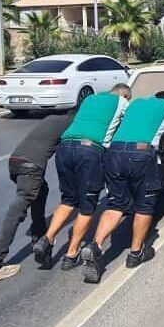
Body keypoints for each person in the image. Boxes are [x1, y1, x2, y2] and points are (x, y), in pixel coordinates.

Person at [80, 91, 164, 283]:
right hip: (140, 153)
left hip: (114, 152)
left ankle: (95, 246)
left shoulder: (135, 104)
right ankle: (136, 253)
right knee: (144, 205)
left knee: (115, 205)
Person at [34, 83, 131, 270]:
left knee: (68, 199)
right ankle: (72, 253)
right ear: (124, 95)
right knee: (87, 207)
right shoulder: (122, 103)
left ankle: (47, 238)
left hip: (64, 147)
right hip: (89, 151)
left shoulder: (89, 98)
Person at [0, 111, 77, 283]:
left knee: (42, 190)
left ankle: (38, 236)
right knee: (18, 209)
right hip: (31, 167)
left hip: (15, 161)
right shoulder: (72, 125)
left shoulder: (52, 118)